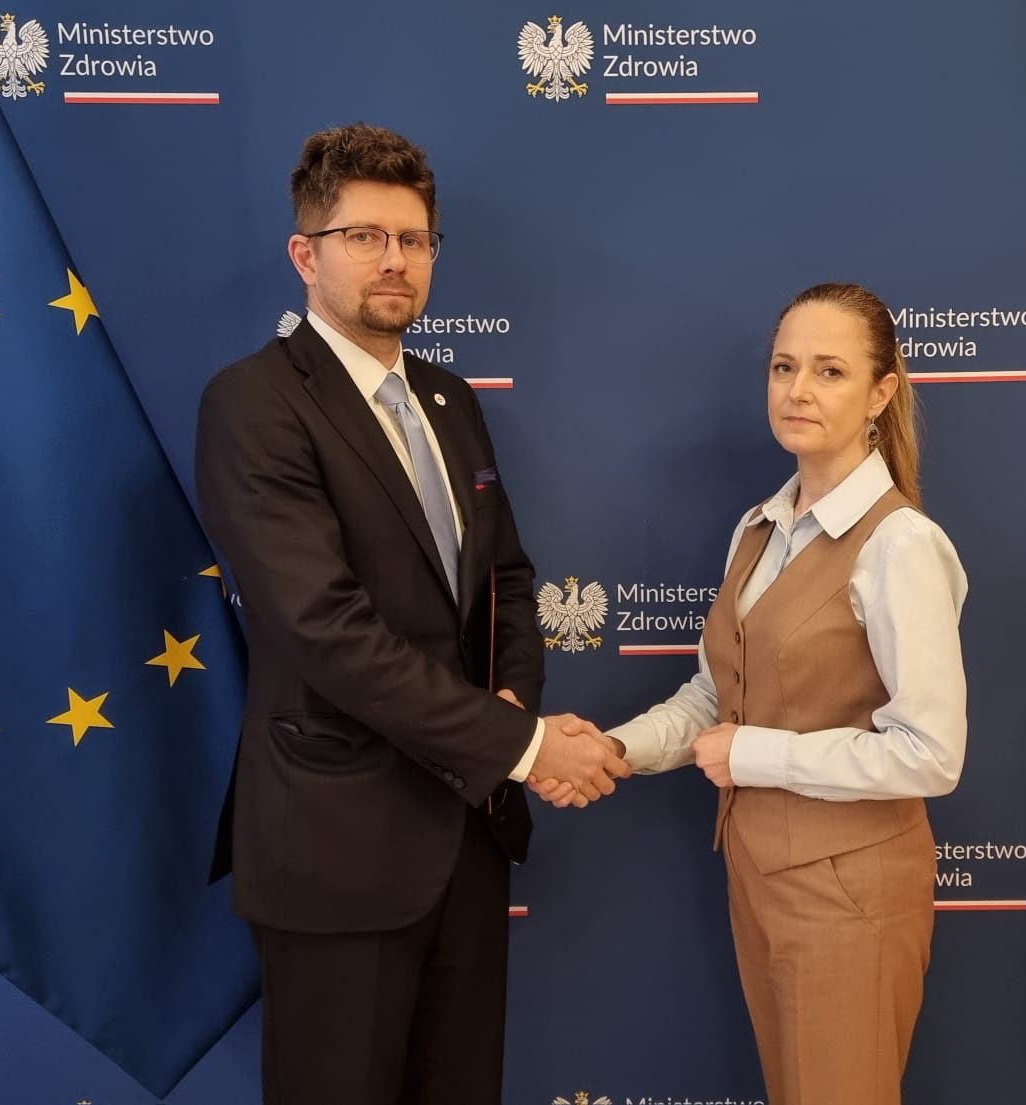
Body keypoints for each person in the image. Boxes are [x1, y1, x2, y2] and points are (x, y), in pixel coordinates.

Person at [194, 122, 627, 1105]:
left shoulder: (448, 400)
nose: (394, 259)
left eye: (414, 238)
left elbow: (504, 580)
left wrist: (513, 704)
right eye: (364, 236)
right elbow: (326, 630)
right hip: (335, 853)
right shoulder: (253, 403)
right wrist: (521, 745)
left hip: (468, 838)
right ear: (305, 254)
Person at [536, 282, 968, 1105]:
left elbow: (930, 753)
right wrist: (617, 748)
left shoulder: (901, 544)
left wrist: (754, 755)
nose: (797, 390)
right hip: (760, 878)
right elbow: (714, 695)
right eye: (783, 367)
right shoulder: (757, 527)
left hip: (852, 895)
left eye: (829, 371)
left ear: (880, 393)